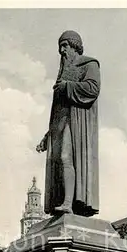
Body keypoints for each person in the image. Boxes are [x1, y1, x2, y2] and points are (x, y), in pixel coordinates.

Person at [36, 30, 100, 216]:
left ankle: (68, 203)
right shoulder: (62, 73)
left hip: (78, 122)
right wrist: (48, 135)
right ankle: (65, 202)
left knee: (66, 157)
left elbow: (93, 89)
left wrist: (68, 86)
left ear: (75, 46)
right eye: (60, 47)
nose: (62, 51)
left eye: (65, 46)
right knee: (59, 161)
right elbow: (57, 112)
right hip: (61, 123)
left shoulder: (89, 64)